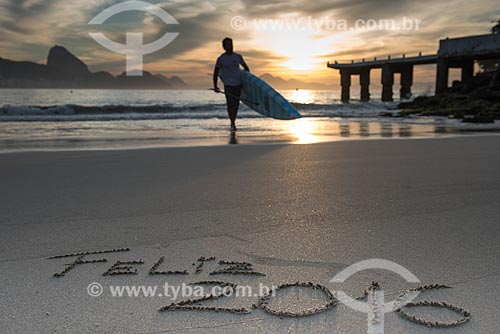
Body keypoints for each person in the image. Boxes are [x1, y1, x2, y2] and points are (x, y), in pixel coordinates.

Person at [213, 37, 250, 131]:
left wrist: (247, 82)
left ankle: (233, 121)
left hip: (238, 84)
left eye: (231, 44)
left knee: (236, 104)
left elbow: (246, 69)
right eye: (228, 44)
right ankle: (232, 123)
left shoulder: (238, 57)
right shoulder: (221, 59)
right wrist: (215, 86)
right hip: (228, 85)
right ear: (224, 47)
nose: (231, 46)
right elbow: (216, 73)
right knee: (230, 104)